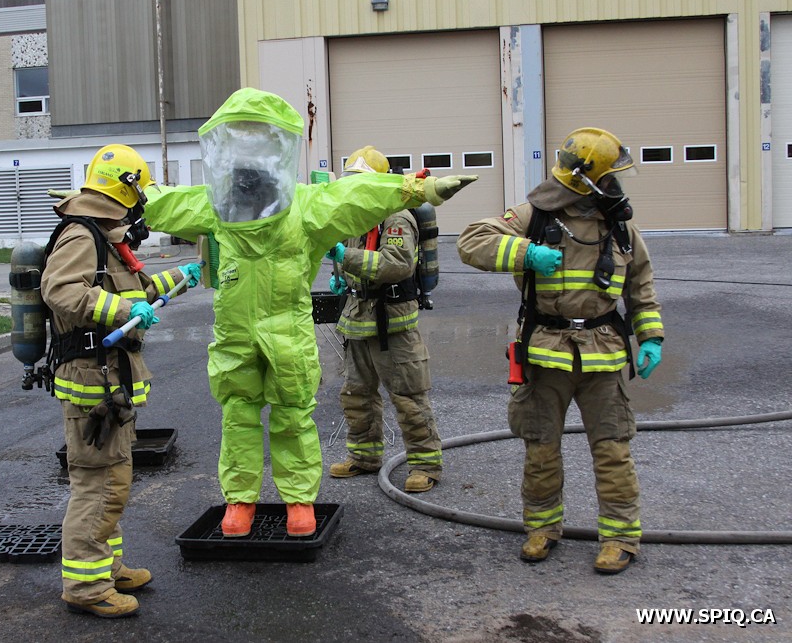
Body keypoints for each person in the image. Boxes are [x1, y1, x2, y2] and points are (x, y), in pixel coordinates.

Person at [143, 87, 477, 538]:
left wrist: (418, 188)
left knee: (293, 415)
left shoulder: (304, 205)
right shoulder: (219, 204)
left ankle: (299, 501)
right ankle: (239, 500)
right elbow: (168, 202)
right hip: (236, 333)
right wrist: (110, 197)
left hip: (287, 331)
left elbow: (356, 195)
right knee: (238, 416)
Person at [456, 127, 664, 574]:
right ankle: (542, 529)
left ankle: (620, 538)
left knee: (612, 450)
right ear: (585, 179)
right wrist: (525, 253)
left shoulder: (620, 225)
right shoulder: (534, 215)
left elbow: (640, 285)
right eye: (607, 176)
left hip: (603, 355)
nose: (614, 184)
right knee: (541, 448)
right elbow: (471, 242)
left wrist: (650, 337)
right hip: (546, 354)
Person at [41, 144, 201, 618]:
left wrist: (180, 277)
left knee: (113, 478)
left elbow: (134, 292)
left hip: (109, 383)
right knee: (98, 484)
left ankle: (104, 569)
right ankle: (86, 587)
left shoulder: (103, 235)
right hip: (93, 383)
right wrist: (123, 310)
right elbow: (61, 290)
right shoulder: (82, 234)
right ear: (128, 190)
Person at [327, 146, 443, 493]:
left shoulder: (396, 217)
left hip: (392, 323)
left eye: (361, 182)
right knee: (356, 395)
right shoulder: (355, 217)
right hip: (356, 319)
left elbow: (397, 264)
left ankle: (425, 464)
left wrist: (345, 257)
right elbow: (349, 258)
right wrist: (340, 275)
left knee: (408, 397)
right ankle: (364, 457)